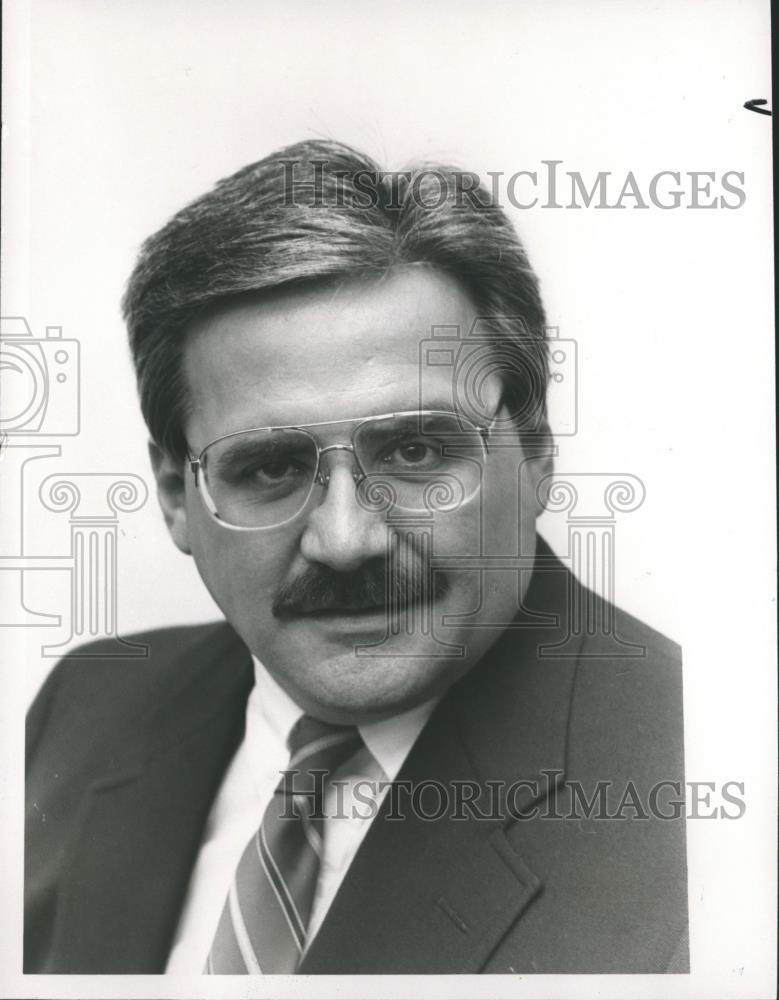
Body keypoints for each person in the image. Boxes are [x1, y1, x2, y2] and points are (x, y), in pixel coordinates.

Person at [24, 140, 688, 975]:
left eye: (415, 451)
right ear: (173, 493)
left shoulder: (702, 792)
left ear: (538, 456)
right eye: (269, 467)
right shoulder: (84, 706)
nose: (344, 540)